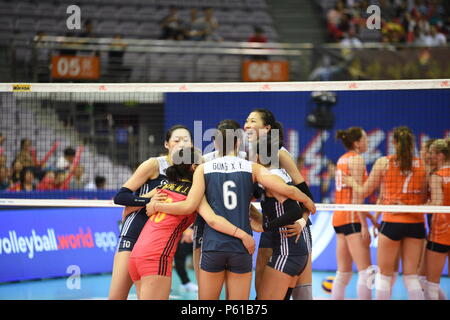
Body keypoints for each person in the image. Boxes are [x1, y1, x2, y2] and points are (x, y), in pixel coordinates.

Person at [147, 121, 315, 300]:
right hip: (241, 247)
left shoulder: (203, 168)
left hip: (213, 245)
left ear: (216, 145)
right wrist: (307, 201)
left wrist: (156, 205)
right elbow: (286, 189)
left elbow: (190, 205)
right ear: (238, 143)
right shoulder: (252, 167)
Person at [126, 147, 255, 300]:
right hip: (156, 257)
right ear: (194, 167)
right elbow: (211, 219)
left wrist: (151, 204)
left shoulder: (163, 187)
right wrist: (243, 235)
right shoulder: (193, 193)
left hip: (136, 256)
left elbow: (128, 207)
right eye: (203, 164)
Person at [108, 125, 191, 300]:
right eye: (177, 140)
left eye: (186, 140)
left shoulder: (192, 171)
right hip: (134, 232)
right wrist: (148, 202)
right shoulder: (154, 164)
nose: (182, 144)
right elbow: (121, 197)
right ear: (166, 144)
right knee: (117, 296)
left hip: (156, 240)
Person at [346, 126, 428, 300]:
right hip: (416, 224)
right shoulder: (423, 165)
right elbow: (430, 197)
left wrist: (351, 181)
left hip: (392, 223)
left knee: (384, 276)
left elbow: (363, 192)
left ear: (394, 143)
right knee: (411, 277)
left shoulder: (384, 162)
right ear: (412, 143)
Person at [243, 108, 315, 300]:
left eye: (253, 121)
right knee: (264, 283)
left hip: (292, 227)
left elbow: (305, 196)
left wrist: (301, 221)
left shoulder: (280, 154)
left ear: (267, 128)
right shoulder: (250, 154)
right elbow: (255, 194)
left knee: (301, 292)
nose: (247, 125)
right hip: (272, 226)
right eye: (246, 121)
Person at [255, 133, 312, 300]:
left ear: (259, 156)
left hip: (287, 252)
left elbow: (294, 211)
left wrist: (265, 226)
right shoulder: (277, 175)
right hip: (292, 250)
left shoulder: (272, 179)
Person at [331, 127, 375, 300]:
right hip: (352, 218)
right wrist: (365, 225)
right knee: (367, 272)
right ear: (357, 143)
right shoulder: (356, 160)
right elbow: (358, 196)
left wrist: (372, 218)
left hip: (340, 217)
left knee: (344, 273)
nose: (368, 142)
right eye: (365, 139)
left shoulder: (342, 159)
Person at [424, 138, 450, 300]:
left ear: (440, 156)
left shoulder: (437, 176)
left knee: (431, 284)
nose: (429, 156)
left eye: (432, 154)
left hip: (440, 232)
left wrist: (410, 206)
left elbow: (437, 203)